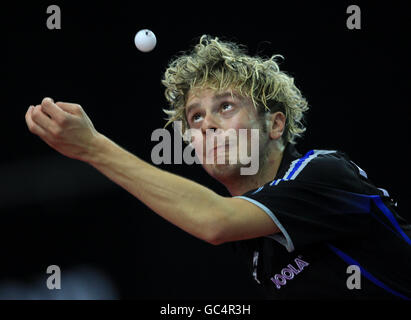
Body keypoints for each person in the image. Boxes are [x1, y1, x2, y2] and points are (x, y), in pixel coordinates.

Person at [25, 35, 411, 299]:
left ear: (275, 125)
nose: (207, 124)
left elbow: (214, 221)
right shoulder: (258, 250)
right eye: (195, 118)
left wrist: (93, 148)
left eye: (225, 107)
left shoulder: (322, 174)